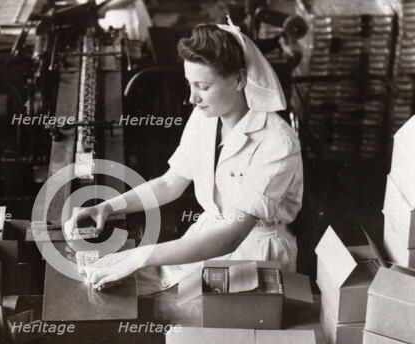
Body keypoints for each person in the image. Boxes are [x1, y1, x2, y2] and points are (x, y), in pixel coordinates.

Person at [65, 20, 303, 294]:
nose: (192, 98)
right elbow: (170, 183)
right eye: (190, 84)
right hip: (204, 240)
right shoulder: (206, 117)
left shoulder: (276, 141)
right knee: (115, 285)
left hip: (255, 255)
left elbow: (230, 236)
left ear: (239, 80)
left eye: (203, 86)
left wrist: (138, 257)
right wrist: (107, 207)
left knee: (185, 316)